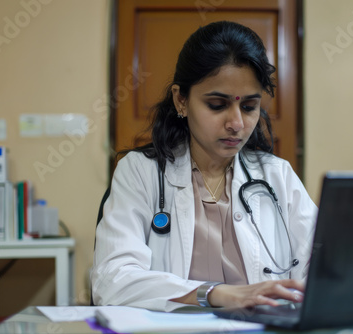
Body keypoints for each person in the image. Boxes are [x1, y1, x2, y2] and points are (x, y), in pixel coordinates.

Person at [91, 21, 318, 312]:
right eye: (216, 104)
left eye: (249, 107)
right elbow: (112, 280)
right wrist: (216, 294)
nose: (236, 123)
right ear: (181, 100)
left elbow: (323, 267)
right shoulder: (141, 173)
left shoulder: (278, 176)